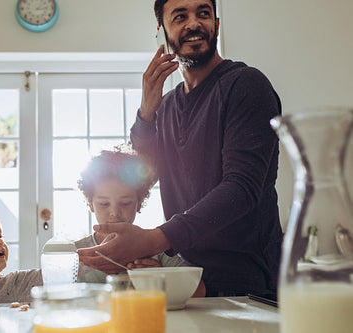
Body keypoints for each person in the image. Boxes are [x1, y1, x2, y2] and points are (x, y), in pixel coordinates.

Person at [78, 0, 283, 298]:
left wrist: (154, 240)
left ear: (216, 24)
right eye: (180, 16)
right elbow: (141, 174)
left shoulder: (246, 85)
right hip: (188, 279)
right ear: (162, 31)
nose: (193, 24)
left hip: (250, 284)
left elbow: (242, 188)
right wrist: (147, 111)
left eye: (203, 14)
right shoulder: (168, 105)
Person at [75, 148, 204, 296]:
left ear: (139, 203)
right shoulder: (76, 253)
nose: (114, 213)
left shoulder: (156, 249)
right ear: (90, 204)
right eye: (104, 204)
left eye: (125, 203)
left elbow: (199, 290)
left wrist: (160, 278)